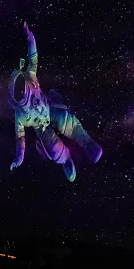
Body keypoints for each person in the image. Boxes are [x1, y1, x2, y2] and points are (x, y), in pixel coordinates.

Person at [8, 21, 103, 182]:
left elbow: (33, 56)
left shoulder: (30, 76)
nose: (24, 91)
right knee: (54, 149)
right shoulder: (20, 115)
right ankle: (66, 160)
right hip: (41, 127)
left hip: (50, 108)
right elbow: (20, 139)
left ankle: (88, 143)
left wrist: (29, 36)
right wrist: (19, 158)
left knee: (68, 121)